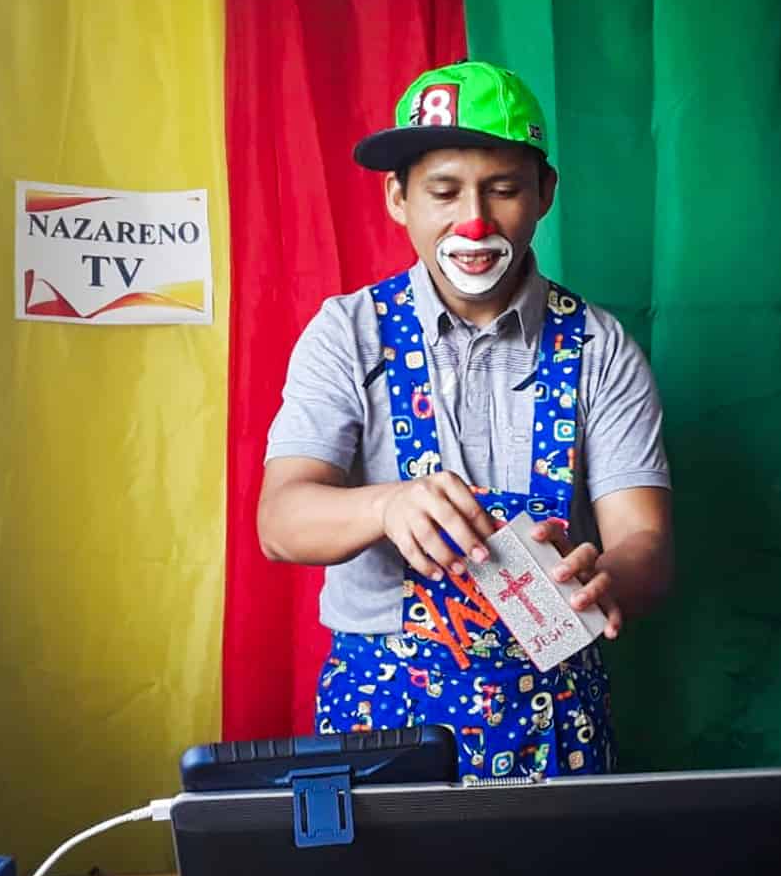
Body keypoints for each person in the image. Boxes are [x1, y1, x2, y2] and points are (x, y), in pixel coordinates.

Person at [258, 60, 672, 780]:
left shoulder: (601, 348)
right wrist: (389, 504)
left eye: (503, 190)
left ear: (543, 194)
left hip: (557, 721)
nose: (472, 220)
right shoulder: (347, 334)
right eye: (444, 192)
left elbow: (646, 543)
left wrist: (606, 575)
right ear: (399, 199)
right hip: (388, 726)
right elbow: (281, 521)